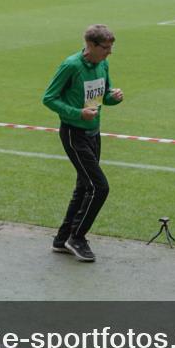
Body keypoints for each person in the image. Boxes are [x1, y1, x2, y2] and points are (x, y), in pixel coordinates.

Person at [42, 24, 123, 262]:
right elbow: (49, 98)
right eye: (106, 48)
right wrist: (78, 113)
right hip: (73, 133)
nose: (110, 53)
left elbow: (103, 96)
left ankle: (62, 239)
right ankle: (77, 237)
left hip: (94, 133)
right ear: (91, 46)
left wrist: (114, 97)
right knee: (99, 187)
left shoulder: (103, 64)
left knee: (84, 187)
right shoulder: (71, 66)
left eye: (111, 48)